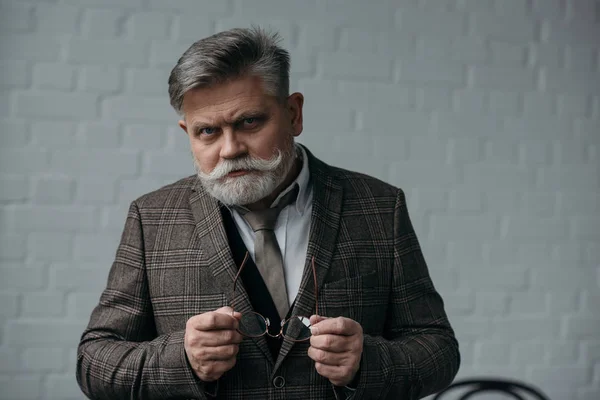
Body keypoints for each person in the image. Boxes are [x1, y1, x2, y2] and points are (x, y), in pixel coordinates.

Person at [76, 26, 460, 399]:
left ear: (293, 113)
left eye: (249, 122)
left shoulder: (379, 206)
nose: (230, 149)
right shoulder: (152, 218)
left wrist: (367, 361)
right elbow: (93, 363)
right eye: (207, 131)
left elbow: (439, 351)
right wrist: (182, 359)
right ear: (187, 132)